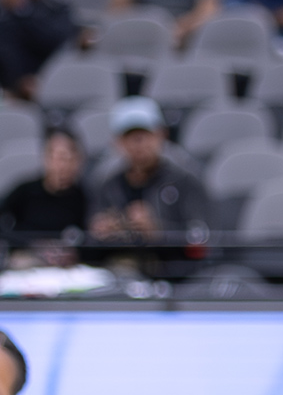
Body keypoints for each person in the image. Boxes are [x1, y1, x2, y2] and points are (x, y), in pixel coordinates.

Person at [85, 96, 202, 276]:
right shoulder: (107, 186)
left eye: (144, 135)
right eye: (130, 137)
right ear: (118, 142)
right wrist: (103, 234)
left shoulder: (184, 182)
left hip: (175, 277)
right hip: (120, 273)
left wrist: (158, 232)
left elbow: (202, 239)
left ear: (161, 135)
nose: (138, 143)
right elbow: (88, 245)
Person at [0, 126, 91, 262]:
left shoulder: (84, 197)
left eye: (70, 158)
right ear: (46, 158)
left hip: (69, 265)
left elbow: (90, 239)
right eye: (59, 158)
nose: (64, 166)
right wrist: (32, 243)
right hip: (30, 259)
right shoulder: (25, 192)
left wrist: (75, 253)